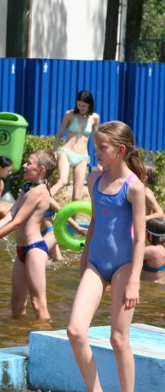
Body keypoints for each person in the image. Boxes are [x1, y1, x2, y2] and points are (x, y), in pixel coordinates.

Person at [66, 120, 146, 392]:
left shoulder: (134, 188)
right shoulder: (94, 180)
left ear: (120, 149)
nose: (96, 152)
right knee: (75, 331)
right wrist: (84, 260)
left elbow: (140, 239)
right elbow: (95, 225)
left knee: (118, 338)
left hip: (124, 265)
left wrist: (135, 278)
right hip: (96, 264)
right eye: (95, 146)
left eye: (101, 147)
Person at [0, 150, 57, 320]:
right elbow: (9, 215)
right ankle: (17, 341)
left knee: (38, 304)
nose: (24, 165)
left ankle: (46, 343)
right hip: (21, 250)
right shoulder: (28, 188)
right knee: (16, 302)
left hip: (34, 250)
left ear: (41, 169)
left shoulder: (39, 192)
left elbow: (16, 223)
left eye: (29, 163)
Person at [50, 90, 100, 201]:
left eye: (84, 105)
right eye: (79, 104)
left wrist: (99, 161)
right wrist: (54, 152)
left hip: (82, 157)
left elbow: (96, 140)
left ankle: (73, 219)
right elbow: (59, 135)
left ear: (90, 105)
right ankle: (42, 199)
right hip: (66, 152)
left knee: (77, 196)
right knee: (63, 181)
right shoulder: (70, 115)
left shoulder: (94, 118)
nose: (81, 107)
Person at [141, 218, 165, 283]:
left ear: (150, 236)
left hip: (147, 287)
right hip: (157, 285)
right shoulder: (162, 249)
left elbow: (129, 255)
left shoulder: (153, 251)